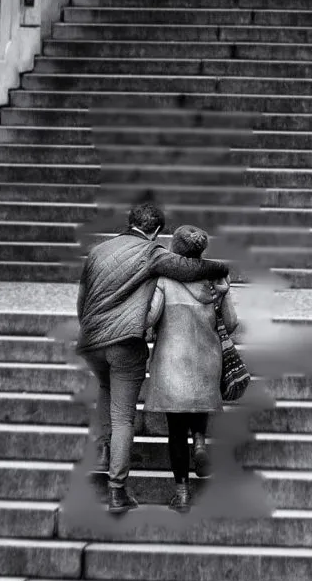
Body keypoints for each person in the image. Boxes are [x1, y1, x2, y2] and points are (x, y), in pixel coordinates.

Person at [76, 203, 229, 514]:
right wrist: (220, 268)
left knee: (105, 391)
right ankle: (117, 491)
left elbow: (82, 299)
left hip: (91, 341)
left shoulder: (97, 251)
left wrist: (90, 330)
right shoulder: (153, 252)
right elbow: (188, 268)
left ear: (130, 221)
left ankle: (104, 449)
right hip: (124, 343)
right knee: (123, 417)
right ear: (157, 231)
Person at [145, 224, 238, 513]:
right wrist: (223, 295)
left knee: (175, 430)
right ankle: (199, 441)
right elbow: (232, 323)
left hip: (172, 359)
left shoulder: (164, 279)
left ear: (175, 249)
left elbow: (150, 317)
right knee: (198, 405)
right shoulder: (215, 278)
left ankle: (182, 494)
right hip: (206, 356)